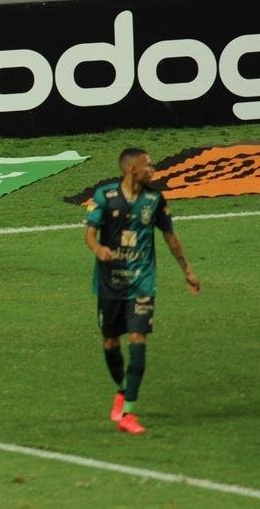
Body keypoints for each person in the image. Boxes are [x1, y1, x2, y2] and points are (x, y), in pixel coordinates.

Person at [83, 147, 201, 434]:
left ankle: (128, 413)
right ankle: (122, 391)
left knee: (138, 339)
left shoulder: (155, 199)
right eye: (148, 165)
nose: (153, 169)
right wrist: (99, 249)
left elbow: (170, 237)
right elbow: (89, 233)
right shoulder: (105, 196)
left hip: (142, 282)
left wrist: (187, 270)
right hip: (110, 284)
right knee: (111, 342)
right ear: (131, 169)